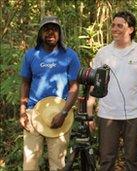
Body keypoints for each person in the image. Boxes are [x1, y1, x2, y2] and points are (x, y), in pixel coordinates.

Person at [87, 11, 137, 171]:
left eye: (120, 25)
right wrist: (89, 111)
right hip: (107, 114)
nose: (115, 29)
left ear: (131, 29)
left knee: (133, 159)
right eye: (113, 25)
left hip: (135, 114)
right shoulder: (103, 53)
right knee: (106, 160)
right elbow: (94, 83)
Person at [19, 16, 80, 170]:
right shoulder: (31, 55)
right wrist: (23, 111)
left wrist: (64, 113)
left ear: (60, 33)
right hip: (33, 113)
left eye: (54, 29)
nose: (50, 32)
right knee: (30, 163)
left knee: (57, 163)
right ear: (40, 33)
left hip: (60, 112)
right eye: (46, 29)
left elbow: (74, 87)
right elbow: (25, 82)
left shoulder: (70, 56)